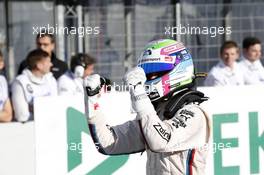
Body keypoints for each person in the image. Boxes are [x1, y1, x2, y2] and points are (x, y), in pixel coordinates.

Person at [83, 39, 211, 175]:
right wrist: (92, 100)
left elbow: (160, 142)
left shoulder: (195, 113)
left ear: (180, 69)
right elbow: (108, 144)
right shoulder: (156, 113)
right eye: (146, 74)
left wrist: (139, 93)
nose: (149, 78)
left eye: (155, 72)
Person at [12, 49, 57, 122]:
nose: (51, 64)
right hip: (29, 129)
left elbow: (56, 108)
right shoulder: (20, 82)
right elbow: (22, 116)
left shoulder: (51, 80)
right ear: (39, 65)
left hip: (51, 125)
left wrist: (34, 108)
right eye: (48, 62)